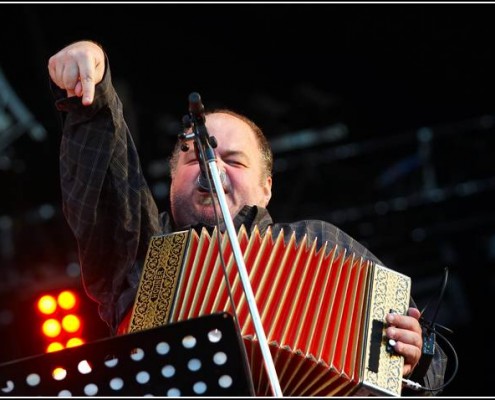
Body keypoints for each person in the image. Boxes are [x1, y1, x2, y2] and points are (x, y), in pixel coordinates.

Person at [48, 40, 447, 395]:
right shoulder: (145, 256)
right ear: (171, 182)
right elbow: (106, 189)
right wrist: (93, 95)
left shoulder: (323, 242)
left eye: (233, 160)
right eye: (194, 157)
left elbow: (428, 363)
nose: (211, 167)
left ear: (267, 186)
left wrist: (419, 357)